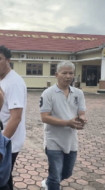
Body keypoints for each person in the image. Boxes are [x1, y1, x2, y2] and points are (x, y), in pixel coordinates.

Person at [40, 61, 87, 190]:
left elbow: (82, 113)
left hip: (71, 140)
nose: (68, 76)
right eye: (64, 73)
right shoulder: (48, 93)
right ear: (56, 74)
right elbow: (44, 117)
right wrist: (67, 123)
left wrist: (81, 120)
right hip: (53, 140)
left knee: (67, 173)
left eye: (71, 73)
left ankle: (48, 183)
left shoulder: (78, 93)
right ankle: (52, 184)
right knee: (55, 177)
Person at [0, 45, 27, 190]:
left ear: (8, 61)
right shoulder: (1, 79)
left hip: (7, 143)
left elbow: (16, 118)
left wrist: (0, 146)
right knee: (4, 178)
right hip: (1, 139)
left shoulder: (14, 83)